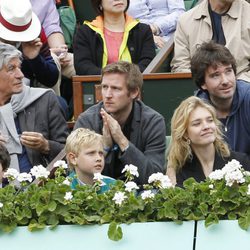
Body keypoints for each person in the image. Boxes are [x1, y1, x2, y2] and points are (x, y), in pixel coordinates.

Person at [74, 61, 166, 185]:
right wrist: (104, 148)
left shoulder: (153, 121)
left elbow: (154, 177)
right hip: (97, 193)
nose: (107, 95)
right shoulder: (87, 120)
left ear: (134, 92)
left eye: (116, 88)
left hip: (140, 194)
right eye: (104, 87)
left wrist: (122, 141)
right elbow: (78, 171)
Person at [0, 43, 68, 173]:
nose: (20, 75)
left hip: (39, 188)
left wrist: (46, 146)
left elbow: (70, 152)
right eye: (11, 68)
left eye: (19, 68)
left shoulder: (44, 100)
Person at [166, 96, 250, 187]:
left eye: (210, 120)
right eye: (197, 123)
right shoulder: (179, 171)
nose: (206, 126)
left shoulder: (240, 161)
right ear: (185, 133)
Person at [191, 41, 250, 157]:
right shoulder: (194, 110)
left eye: (228, 71)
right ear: (203, 83)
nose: (225, 81)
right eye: (215, 75)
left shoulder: (248, 98)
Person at [171, 0, 250, 83]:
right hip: (199, 90)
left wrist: (237, 86)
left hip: (243, 88)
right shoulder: (186, 21)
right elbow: (181, 66)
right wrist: (202, 87)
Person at [73, 0, 156, 75]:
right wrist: (111, 77)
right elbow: (82, 66)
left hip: (134, 87)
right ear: (99, 3)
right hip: (99, 87)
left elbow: (148, 63)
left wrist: (125, 77)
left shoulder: (143, 31)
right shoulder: (85, 32)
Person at [0, 0, 59, 89]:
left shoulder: (34, 34)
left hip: (25, 91)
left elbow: (51, 80)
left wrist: (35, 58)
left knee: (59, 101)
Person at [65, 128, 115, 192]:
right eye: (91, 153)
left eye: (101, 153)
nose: (99, 158)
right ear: (73, 159)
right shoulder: (62, 189)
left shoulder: (113, 186)